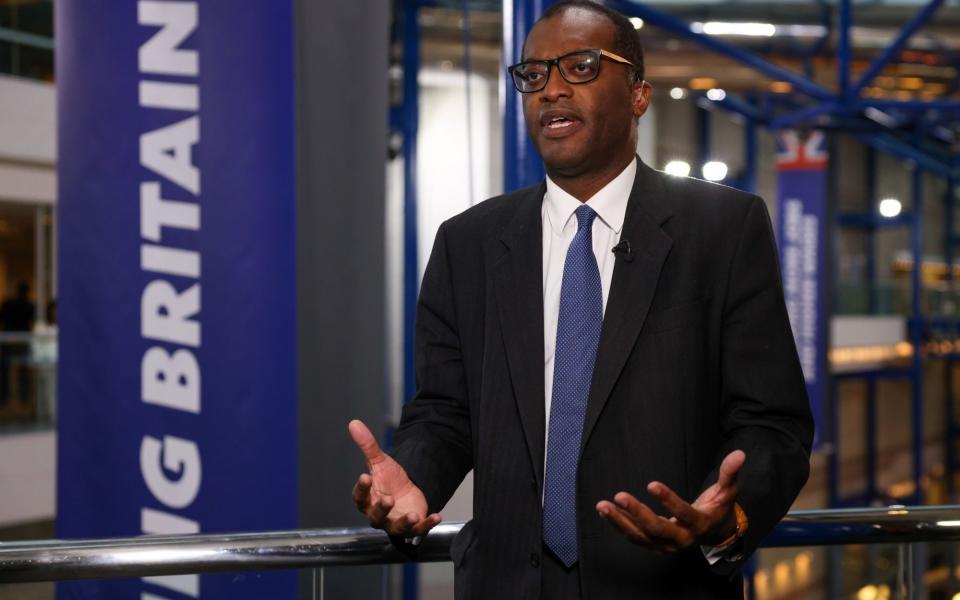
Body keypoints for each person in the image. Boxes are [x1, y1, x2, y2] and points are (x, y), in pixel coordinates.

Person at [349, 1, 814, 597]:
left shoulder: (723, 229)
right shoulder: (467, 243)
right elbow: (446, 413)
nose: (552, 90)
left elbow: (771, 422)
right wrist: (411, 478)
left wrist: (731, 515)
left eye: (582, 67)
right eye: (534, 75)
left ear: (639, 93)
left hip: (661, 583)